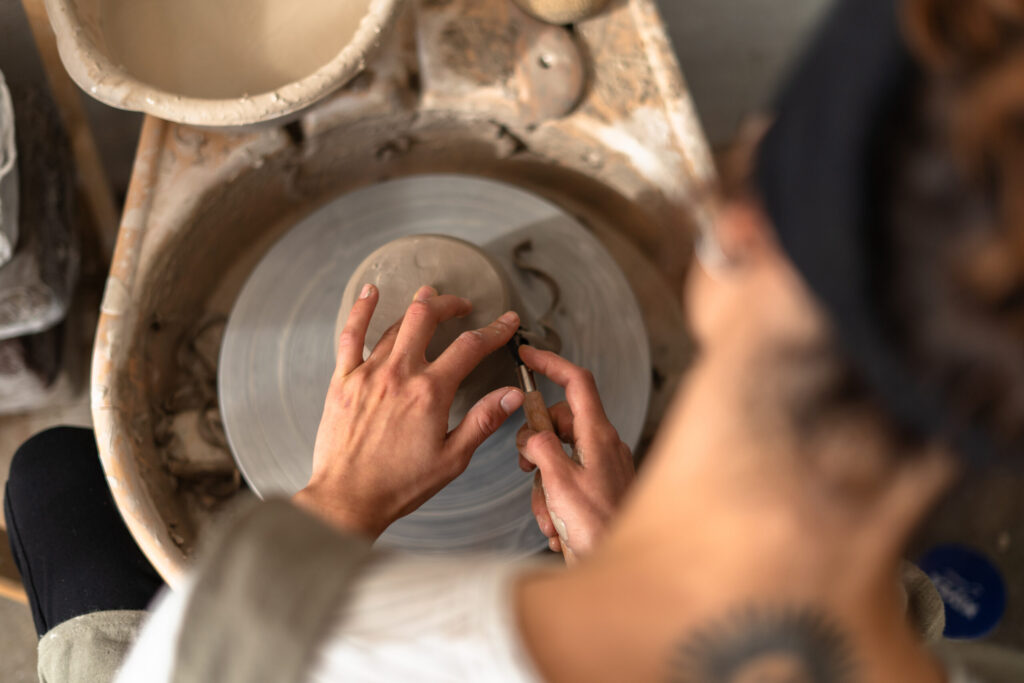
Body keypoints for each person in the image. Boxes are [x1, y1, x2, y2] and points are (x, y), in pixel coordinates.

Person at [6, 0, 1018, 679]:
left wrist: (331, 506)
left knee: (55, 471)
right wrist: (625, 552)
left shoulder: (254, 632)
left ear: (736, 232)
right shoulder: (906, 641)